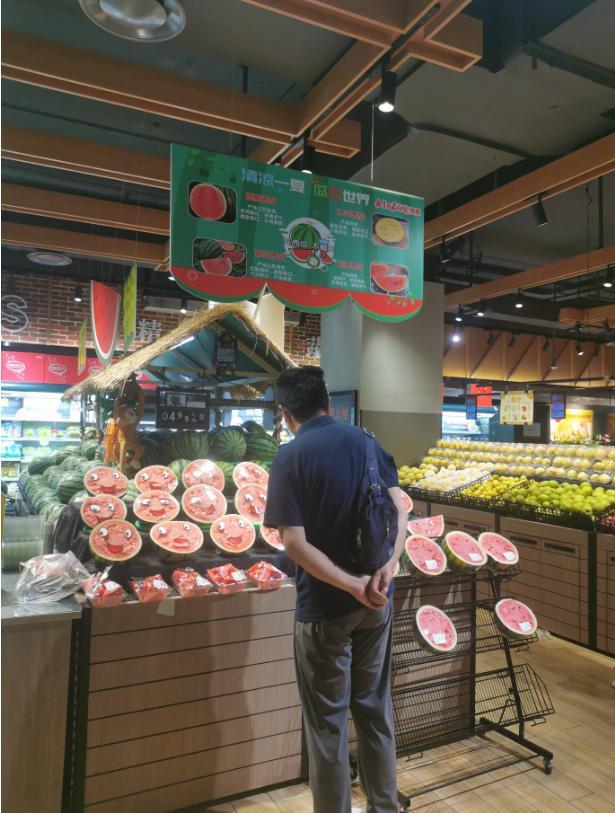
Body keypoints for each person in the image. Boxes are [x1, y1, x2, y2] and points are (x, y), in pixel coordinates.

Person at [264, 366, 407, 813]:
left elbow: (294, 544)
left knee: (327, 726)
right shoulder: (367, 442)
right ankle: (384, 806)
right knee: (375, 710)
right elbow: (400, 510)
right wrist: (386, 568)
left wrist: (352, 584)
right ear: (327, 402)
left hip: (325, 610)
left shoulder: (290, 458)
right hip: (376, 604)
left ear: (285, 413)